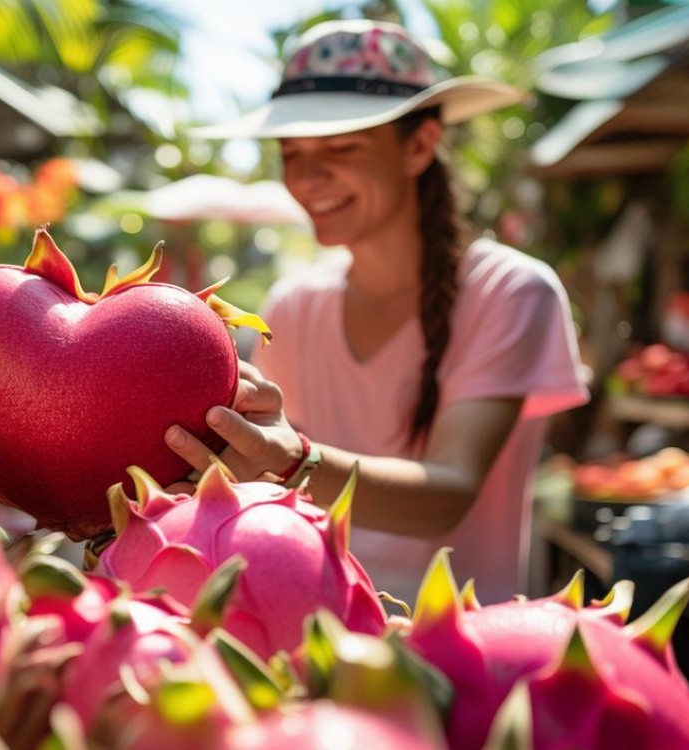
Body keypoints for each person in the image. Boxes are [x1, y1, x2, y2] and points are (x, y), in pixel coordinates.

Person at [165, 19, 590, 605]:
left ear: (419, 146)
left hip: (464, 646)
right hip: (311, 634)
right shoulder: (293, 304)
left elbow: (449, 493)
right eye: (291, 152)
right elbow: (265, 482)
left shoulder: (512, 290)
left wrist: (298, 459)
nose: (308, 177)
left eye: (341, 146)